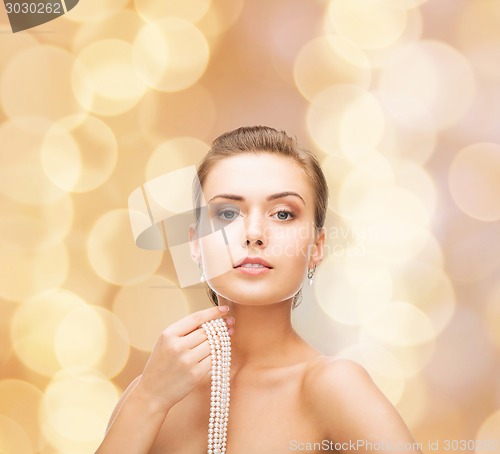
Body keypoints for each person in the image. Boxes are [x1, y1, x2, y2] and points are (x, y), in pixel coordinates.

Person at [96, 126, 422, 453]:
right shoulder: (153, 390)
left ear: (317, 246)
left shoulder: (333, 386)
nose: (254, 234)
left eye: (283, 214)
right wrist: (148, 400)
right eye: (227, 213)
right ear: (195, 244)